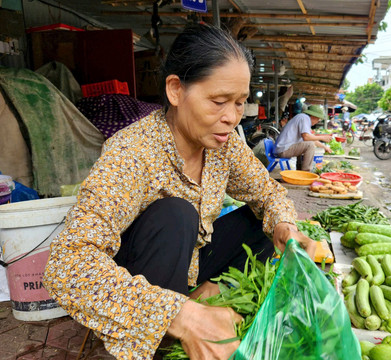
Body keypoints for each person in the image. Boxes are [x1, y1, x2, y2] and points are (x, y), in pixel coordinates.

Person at [43, 24, 317, 360]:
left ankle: (202, 298)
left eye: (239, 103)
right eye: (218, 101)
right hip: (141, 275)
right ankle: (167, 330)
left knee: (260, 222)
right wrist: (176, 315)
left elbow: (268, 193)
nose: (231, 117)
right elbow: (65, 265)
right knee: (176, 213)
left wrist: (284, 224)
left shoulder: (224, 145)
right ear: (175, 90)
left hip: (191, 260)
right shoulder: (133, 153)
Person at [274, 104, 333, 171]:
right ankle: (305, 172)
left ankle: (300, 171)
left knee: (305, 144)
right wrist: (322, 138)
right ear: (314, 116)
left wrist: (325, 147)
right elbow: (306, 137)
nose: (317, 122)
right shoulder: (304, 118)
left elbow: (311, 138)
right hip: (283, 150)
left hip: (282, 149)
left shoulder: (302, 117)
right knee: (309, 145)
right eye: (318, 120)